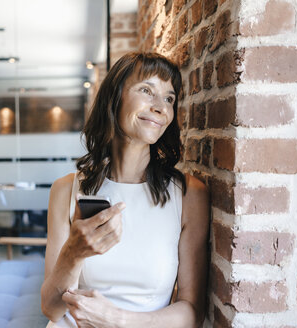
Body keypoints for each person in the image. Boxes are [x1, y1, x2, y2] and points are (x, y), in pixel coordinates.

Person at [41, 52, 210, 328]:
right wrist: (74, 252)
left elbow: (192, 313)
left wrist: (115, 319)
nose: (161, 108)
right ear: (115, 97)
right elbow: (51, 308)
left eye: (169, 98)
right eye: (147, 90)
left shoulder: (188, 195)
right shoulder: (66, 190)